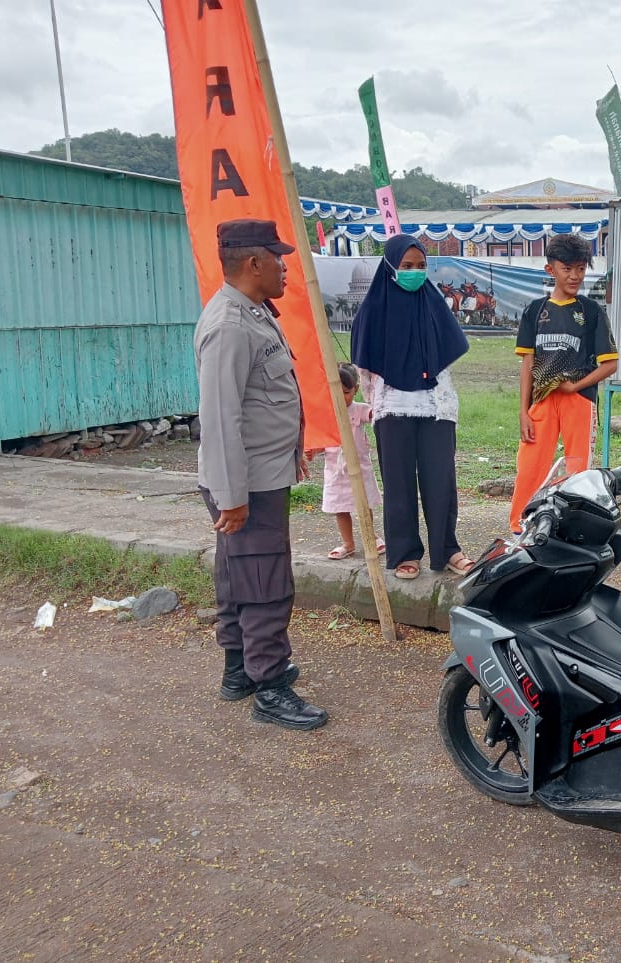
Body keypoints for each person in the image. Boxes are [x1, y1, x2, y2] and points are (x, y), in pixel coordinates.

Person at [195, 218, 327, 731]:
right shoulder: (230, 324)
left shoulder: (251, 313)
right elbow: (220, 416)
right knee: (265, 581)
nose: (286, 267)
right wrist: (232, 496)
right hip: (246, 480)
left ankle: (239, 671)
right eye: (279, 258)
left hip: (257, 473)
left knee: (238, 575)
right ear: (254, 263)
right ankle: (270, 687)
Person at [350, 235, 473, 580]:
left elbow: (446, 354)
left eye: (421, 266)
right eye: (406, 267)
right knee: (399, 483)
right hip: (392, 406)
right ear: (390, 268)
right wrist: (377, 401)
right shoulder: (373, 310)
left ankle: (447, 549)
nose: (415, 273)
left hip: (436, 406)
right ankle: (405, 552)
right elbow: (365, 371)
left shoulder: (433, 304)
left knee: (441, 481)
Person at [508, 234, 618, 531]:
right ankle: (521, 526)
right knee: (530, 467)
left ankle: (569, 528)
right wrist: (523, 411)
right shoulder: (534, 311)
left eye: (580, 269)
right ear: (550, 270)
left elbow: (610, 364)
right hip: (541, 400)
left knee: (577, 469)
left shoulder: (591, 311)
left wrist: (576, 386)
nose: (574, 276)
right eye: (567, 268)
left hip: (577, 400)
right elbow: (528, 364)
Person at [309, 363, 386, 561]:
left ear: (356, 390)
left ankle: (372, 537)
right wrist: (313, 450)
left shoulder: (358, 410)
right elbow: (323, 442)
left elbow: (375, 414)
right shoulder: (327, 414)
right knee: (340, 509)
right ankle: (348, 543)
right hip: (336, 472)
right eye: (336, 392)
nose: (342, 397)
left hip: (359, 469)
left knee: (363, 506)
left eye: (346, 392)